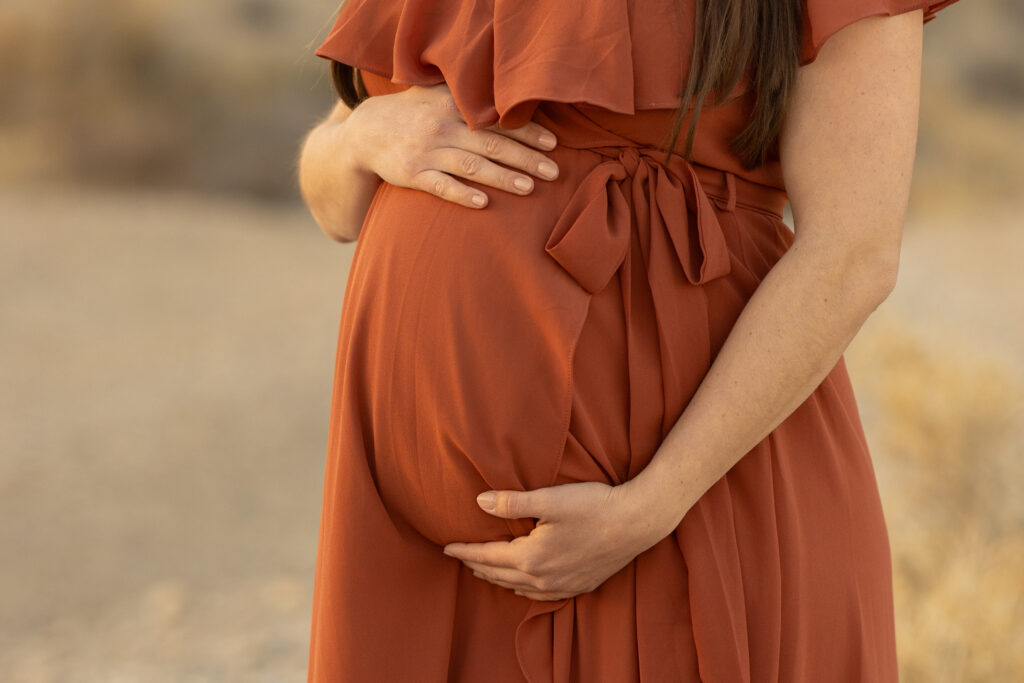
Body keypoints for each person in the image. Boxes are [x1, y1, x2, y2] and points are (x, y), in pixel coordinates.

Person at [297, 1, 963, 680]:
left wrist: (651, 505)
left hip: (679, 508)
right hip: (411, 555)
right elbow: (334, 206)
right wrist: (357, 139)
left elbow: (854, 253)